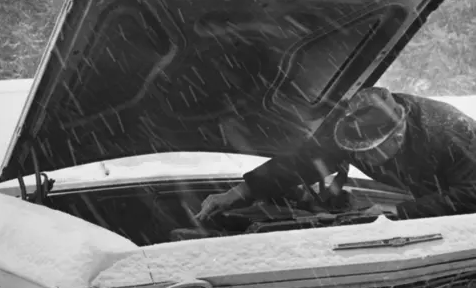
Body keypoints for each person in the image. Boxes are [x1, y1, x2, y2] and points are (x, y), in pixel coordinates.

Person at [195, 86, 476, 223]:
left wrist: (401, 211)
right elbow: (302, 162)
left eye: (371, 152)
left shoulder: (449, 132)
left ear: (398, 134)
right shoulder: (349, 125)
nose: (363, 159)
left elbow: (472, 193)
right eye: (356, 153)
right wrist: (240, 191)